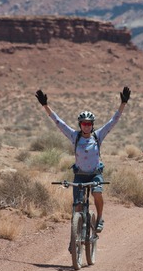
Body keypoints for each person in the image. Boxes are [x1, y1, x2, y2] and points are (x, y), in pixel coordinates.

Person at [35, 86, 131, 234]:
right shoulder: (75, 136)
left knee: (97, 193)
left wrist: (123, 103)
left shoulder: (98, 136)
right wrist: (45, 105)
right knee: (78, 206)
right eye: (84, 123)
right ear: (80, 125)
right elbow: (58, 122)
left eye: (89, 123)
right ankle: (75, 239)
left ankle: (99, 218)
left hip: (95, 174)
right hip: (79, 175)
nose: (86, 126)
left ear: (92, 125)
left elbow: (113, 121)